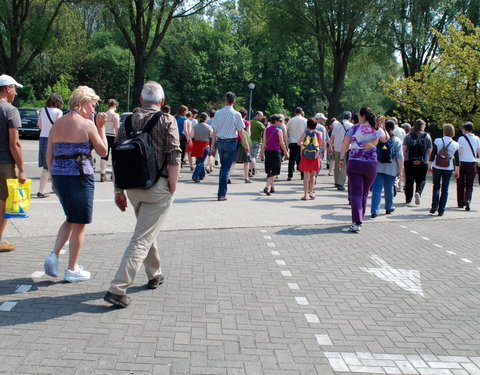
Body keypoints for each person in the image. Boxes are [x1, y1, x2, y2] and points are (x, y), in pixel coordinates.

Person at [104, 81, 181, 308]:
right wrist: (173, 185)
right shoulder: (168, 120)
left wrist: (118, 190)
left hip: (132, 187)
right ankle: (118, 289)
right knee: (141, 238)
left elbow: (116, 157)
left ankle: (154, 274)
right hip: (158, 187)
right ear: (162, 102)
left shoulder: (128, 120)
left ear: (141, 101)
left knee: (146, 231)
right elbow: (174, 153)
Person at [43, 86, 108, 282]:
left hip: (60, 176)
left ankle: (54, 255)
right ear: (83, 103)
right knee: (80, 222)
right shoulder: (87, 125)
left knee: (71, 217)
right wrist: (101, 127)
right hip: (80, 176)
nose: (94, 109)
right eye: (92, 104)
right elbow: (103, 151)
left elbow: (49, 153)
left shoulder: (58, 123)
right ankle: (72, 269)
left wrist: (54, 177)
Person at [339, 107, 387, 232]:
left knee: (356, 193)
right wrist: (382, 126)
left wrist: (341, 159)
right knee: (364, 193)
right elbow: (385, 139)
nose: (358, 118)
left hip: (355, 162)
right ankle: (360, 218)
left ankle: (357, 221)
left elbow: (344, 145)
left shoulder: (354, 129)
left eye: (359, 116)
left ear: (363, 116)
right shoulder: (377, 129)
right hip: (371, 164)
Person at [0, 75, 26, 252]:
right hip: (4, 163)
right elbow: (14, 143)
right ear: (8, 88)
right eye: (15, 88)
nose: (15, 92)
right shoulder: (10, 110)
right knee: (4, 203)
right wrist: (22, 169)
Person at [210, 92, 249, 201]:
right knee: (225, 168)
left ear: (225, 100)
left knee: (224, 167)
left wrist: (212, 145)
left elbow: (214, 131)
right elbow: (241, 131)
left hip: (220, 141)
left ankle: (221, 191)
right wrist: (246, 145)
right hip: (231, 142)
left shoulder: (218, 113)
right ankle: (222, 193)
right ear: (234, 101)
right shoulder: (237, 114)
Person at [371, 120, 403, 218]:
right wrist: (400, 170)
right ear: (393, 128)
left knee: (377, 189)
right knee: (389, 189)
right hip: (391, 168)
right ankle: (389, 207)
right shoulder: (396, 140)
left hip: (378, 167)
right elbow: (400, 157)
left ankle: (374, 210)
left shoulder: (379, 138)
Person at [428, 124, 459, 216]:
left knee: (436, 186)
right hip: (448, 167)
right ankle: (441, 209)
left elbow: (433, 154)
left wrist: (429, 166)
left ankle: (434, 205)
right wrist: (457, 170)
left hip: (437, 166)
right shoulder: (455, 144)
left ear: (444, 131)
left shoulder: (437, 141)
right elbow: (457, 159)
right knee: (445, 189)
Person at [37, 93, 63, 198]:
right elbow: (58, 126)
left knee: (48, 165)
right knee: (48, 166)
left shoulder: (43, 110)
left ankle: (54, 187)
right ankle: (41, 191)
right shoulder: (59, 112)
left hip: (42, 137)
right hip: (53, 139)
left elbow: (39, 125)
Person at [403, 119, 432, 205]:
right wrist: (430, 162)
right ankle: (418, 192)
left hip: (409, 161)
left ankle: (408, 198)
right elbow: (429, 150)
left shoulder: (408, 136)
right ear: (423, 126)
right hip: (423, 161)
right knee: (421, 179)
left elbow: (404, 149)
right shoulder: (427, 136)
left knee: (409, 180)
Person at [261, 114, 289, 195]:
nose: (281, 122)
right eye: (280, 121)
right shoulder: (278, 130)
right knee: (274, 170)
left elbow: (264, 141)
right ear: (276, 121)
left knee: (270, 169)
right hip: (276, 151)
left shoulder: (266, 129)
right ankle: (267, 187)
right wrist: (286, 152)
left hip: (268, 151)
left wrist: (262, 152)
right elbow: (281, 143)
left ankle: (272, 187)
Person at [457, 122, 480, 211]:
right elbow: (478, 152)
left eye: (463, 129)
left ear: (466, 129)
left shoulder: (461, 139)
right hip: (472, 163)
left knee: (460, 183)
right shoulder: (477, 138)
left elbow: (459, 151)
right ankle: (467, 199)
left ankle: (460, 202)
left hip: (462, 162)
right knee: (469, 185)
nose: (462, 130)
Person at [298, 118, 323, 200]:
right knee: (313, 175)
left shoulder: (305, 133)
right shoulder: (319, 133)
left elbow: (299, 143)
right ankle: (311, 192)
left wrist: (303, 144)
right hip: (315, 156)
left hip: (305, 156)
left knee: (306, 176)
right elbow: (320, 144)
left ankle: (306, 194)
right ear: (316, 125)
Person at [330, 111, 353, 190]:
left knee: (337, 164)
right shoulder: (351, 125)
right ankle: (341, 183)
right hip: (346, 147)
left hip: (336, 146)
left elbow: (332, 136)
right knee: (343, 165)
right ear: (350, 118)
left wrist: (330, 146)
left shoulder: (337, 125)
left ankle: (336, 181)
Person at [99, 98, 119, 182]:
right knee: (114, 156)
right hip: (113, 136)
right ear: (115, 106)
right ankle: (113, 175)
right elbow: (116, 127)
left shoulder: (104, 114)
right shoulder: (115, 115)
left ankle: (103, 174)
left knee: (104, 156)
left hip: (104, 135)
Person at [286, 107, 307, 181]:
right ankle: (302, 175)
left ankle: (290, 175)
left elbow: (287, 130)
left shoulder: (291, 120)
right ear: (301, 113)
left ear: (295, 112)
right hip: (302, 142)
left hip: (292, 141)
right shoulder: (305, 120)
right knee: (301, 158)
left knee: (291, 159)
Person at [231, 108, 251, 183]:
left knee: (233, 160)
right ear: (245, 115)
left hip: (235, 140)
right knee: (246, 161)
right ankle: (246, 178)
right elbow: (249, 134)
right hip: (243, 142)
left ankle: (228, 176)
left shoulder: (235, 121)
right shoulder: (247, 122)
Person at [191, 112, 213, 182]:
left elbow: (192, 136)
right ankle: (195, 176)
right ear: (206, 118)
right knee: (201, 161)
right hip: (205, 144)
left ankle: (202, 175)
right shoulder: (209, 127)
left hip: (197, 144)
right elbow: (211, 135)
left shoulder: (195, 126)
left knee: (200, 160)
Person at [249, 111, 265, 178]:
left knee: (250, 156)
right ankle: (251, 170)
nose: (262, 117)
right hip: (257, 141)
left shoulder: (250, 122)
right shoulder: (259, 124)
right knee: (254, 156)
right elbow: (266, 130)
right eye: (261, 116)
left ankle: (252, 169)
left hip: (249, 141)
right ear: (257, 115)